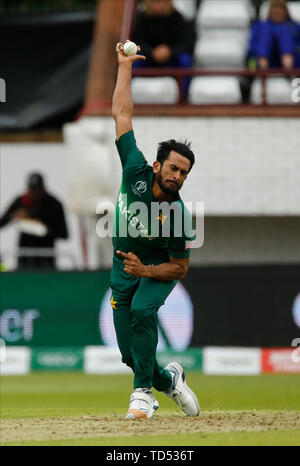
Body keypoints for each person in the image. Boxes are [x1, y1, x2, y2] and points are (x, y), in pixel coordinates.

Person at [110, 41, 199, 420]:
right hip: (122, 266)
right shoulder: (135, 171)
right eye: (173, 168)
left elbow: (180, 268)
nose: (177, 176)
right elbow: (122, 113)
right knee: (129, 354)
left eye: (184, 172)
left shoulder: (180, 217)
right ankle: (169, 379)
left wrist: (146, 271)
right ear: (158, 165)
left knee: (144, 311)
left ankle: (142, 395)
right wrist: (125, 67)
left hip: (156, 268)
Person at [0, 173, 68, 269]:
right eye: (31, 189)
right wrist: (13, 216)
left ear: (43, 188)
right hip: (24, 257)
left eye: (37, 189)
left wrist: (45, 229)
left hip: (46, 258)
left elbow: (64, 234)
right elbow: (1, 223)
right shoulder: (21, 201)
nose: (34, 193)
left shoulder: (54, 204)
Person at [132, 0, 196, 99]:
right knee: (131, 62)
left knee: (185, 60)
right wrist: (152, 52)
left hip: (171, 60)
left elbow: (186, 43)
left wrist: (170, 51)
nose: (158, 5)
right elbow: (137, 42)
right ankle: (125, 96)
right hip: (148, 59)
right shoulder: (142, 18)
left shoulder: (177, 18)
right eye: (155, 2)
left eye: (162, 2)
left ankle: (183, 97)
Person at [241, 0, 300, 102]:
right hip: (263, 62)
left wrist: (288, 53)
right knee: (266, 31)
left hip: (290, 63)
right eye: (274, 10)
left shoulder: (294, 27)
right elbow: (252, 48)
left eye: (280, 10)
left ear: (285, 11)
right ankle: (263, 62)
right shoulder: (260, 27)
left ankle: (288, 66)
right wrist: (260, 56)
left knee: (284, 31)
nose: (277, 13)